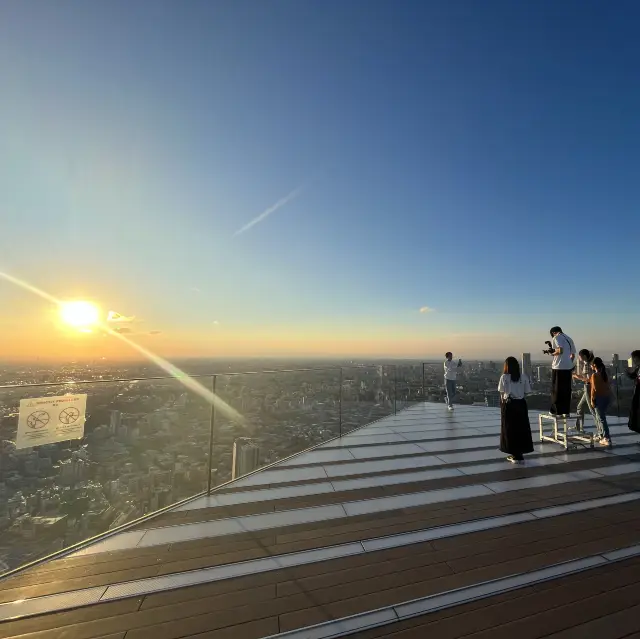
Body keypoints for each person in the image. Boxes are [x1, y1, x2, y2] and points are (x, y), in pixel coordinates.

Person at [498, 357, 534, 464]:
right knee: (521, 428)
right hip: (521, 404)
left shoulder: (504, 377)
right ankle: (520, 453)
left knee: (509, 429)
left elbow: (501, 392)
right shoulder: (523, 377)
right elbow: (527, 391)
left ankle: (514, 453)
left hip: (509, 404)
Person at [547, 326, 576, 415]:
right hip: (568, 367)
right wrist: (569, 364)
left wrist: (552, 353)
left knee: (556, 389)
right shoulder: (569, 338)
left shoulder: (557, 337)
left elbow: (560, 350)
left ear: (553, 333)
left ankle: (555, 410)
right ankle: (565, 411)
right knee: (566, 390)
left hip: (558, 367)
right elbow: (572, 355)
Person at [573, 349, 598, 433]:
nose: (578, 358)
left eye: (579, 356)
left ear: (583, 356)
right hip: (588, 387)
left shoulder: (587, 364)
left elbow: (587, 379)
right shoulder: (589, 363)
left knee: (592, 410)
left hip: (588, 387)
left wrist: (576, 376)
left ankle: (600, 432)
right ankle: (578, 427)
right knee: (580, 406)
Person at [590, 357, 612, 446]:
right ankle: (602, 435)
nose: (590, 366)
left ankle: (606, 438)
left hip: (599, 398)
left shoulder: (594, 375)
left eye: (591, 365)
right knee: (601, 417)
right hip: (606, 397)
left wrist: (592, 399)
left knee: (601, 419)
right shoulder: (604, 374)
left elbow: (594, 389)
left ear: (594, 365)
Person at [626, 350, 640, 434]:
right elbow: (633, 376)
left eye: (634, 358)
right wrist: (628, 371)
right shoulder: (638, 368)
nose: (633, 360)